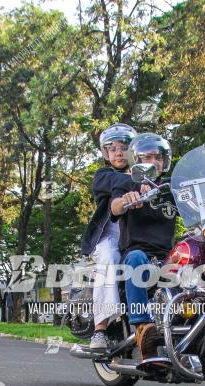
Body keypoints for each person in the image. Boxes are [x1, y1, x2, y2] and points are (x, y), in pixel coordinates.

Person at [109, 132, 176, 360]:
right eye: (147, 157)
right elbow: (115, 207)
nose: (154, 162)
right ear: (137, 161)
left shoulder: (171, 187)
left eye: (157, 157)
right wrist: (128, 200)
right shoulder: (128, 183)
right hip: (139, 254)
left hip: (168, 255)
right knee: (136, 259)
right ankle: (142, 327)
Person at [79, 122, 138, 352]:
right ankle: (100, 329)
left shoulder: (144, 171)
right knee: (110, 257)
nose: (119, 152)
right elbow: (115, 182)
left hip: (137, 233)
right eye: (112, 149)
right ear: (106, 153)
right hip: (110, 234)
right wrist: (140, 180)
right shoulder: (104, 175)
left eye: (123, 147)